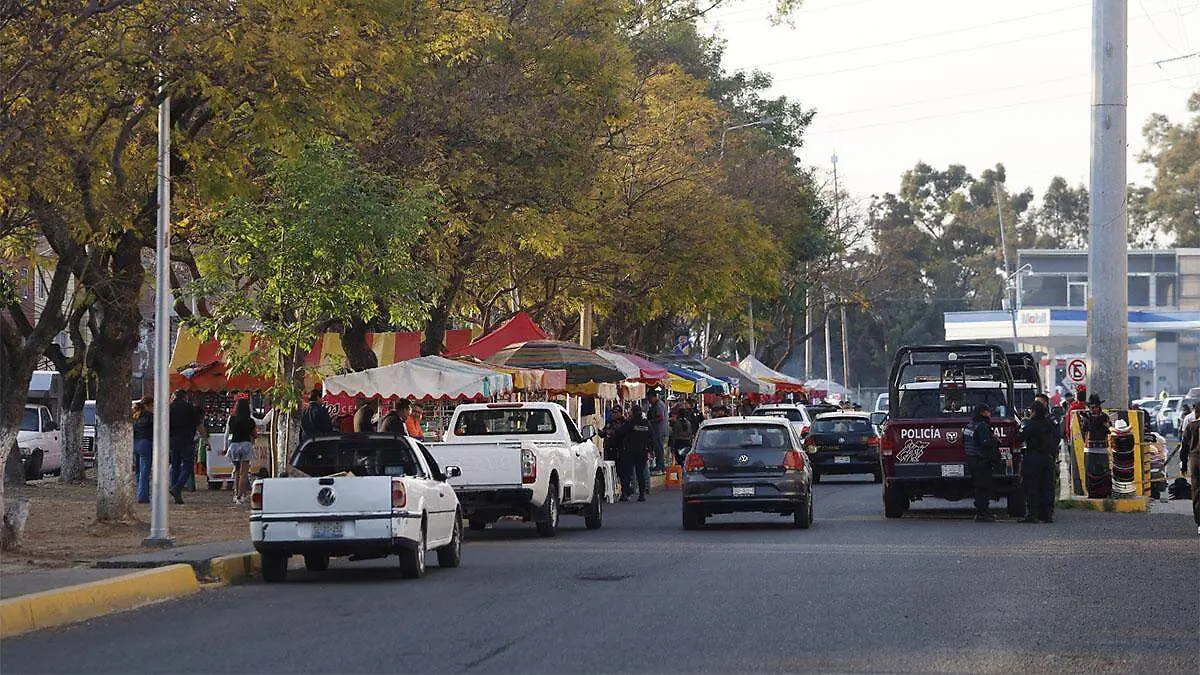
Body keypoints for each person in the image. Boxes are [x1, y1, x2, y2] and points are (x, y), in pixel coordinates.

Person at [1019, 399, 1058, 523]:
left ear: (1034, 411)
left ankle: (1033, 515)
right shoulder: (1049, 423)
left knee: (1032, 487)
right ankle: (1047, 515)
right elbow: (1056, 437)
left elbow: (1020, 437)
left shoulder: (1030, 424)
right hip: (1048, 458)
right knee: (1047, 487)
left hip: (1033, 458)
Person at [963, 403, 1000, 522]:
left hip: (972, 459)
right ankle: (983, 513)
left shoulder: (969, 426)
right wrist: (994, 441)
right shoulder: (982, 426)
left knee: (979, 486)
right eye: (988, 411)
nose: (990, 414)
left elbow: (965, 442)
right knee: (983, 487)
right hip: (981, 460)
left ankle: (982, 511)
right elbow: (985, 443)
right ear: (983, 413)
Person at [168, 390, 206, 505]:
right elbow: (198, 425)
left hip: (173, 440)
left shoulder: (169, 408)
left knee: (175, 465)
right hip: (187, 440)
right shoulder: (190, 408)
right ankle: (177, 488)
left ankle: (174, 488)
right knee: (188, 466)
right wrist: (205, 438)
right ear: (185, 397)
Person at [614, 406, 654, 501]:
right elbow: (651, 437)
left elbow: (620, 432)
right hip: (642, 451)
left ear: (633, 413)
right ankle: (642, 494)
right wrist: (650, 450)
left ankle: (625, 493)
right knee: (640, 473)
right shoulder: (646, 423)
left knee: (627, 473)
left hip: (630, 451)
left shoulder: (630, 422)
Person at [224, 397, 256, 505]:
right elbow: (254, 434)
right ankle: (240, 495)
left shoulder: (232, 419)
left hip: (234, 445)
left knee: (237, 470)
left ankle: (236, 493)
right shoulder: (250, 421)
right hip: (246, 445)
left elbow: (229, 432)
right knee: (244, 473)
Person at [132, 396, 154, 504]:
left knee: (138, 471)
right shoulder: (150, 416)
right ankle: (143, 496)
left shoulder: (135, 414)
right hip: (145, 443)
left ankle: (139, 492)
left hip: (135, 443)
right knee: (145, 471)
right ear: (149, 405)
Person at [646, 391, 669, 475]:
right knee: (658, 449)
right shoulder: (657, 404)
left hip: (659, 431)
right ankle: (660, 466)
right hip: (658, 431)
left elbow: (661, 417)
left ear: (653, 397)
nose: (649, 401)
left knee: (659, 450)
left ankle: (660, 467)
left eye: (649, 398)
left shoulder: (659, 405)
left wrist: (651, 421)